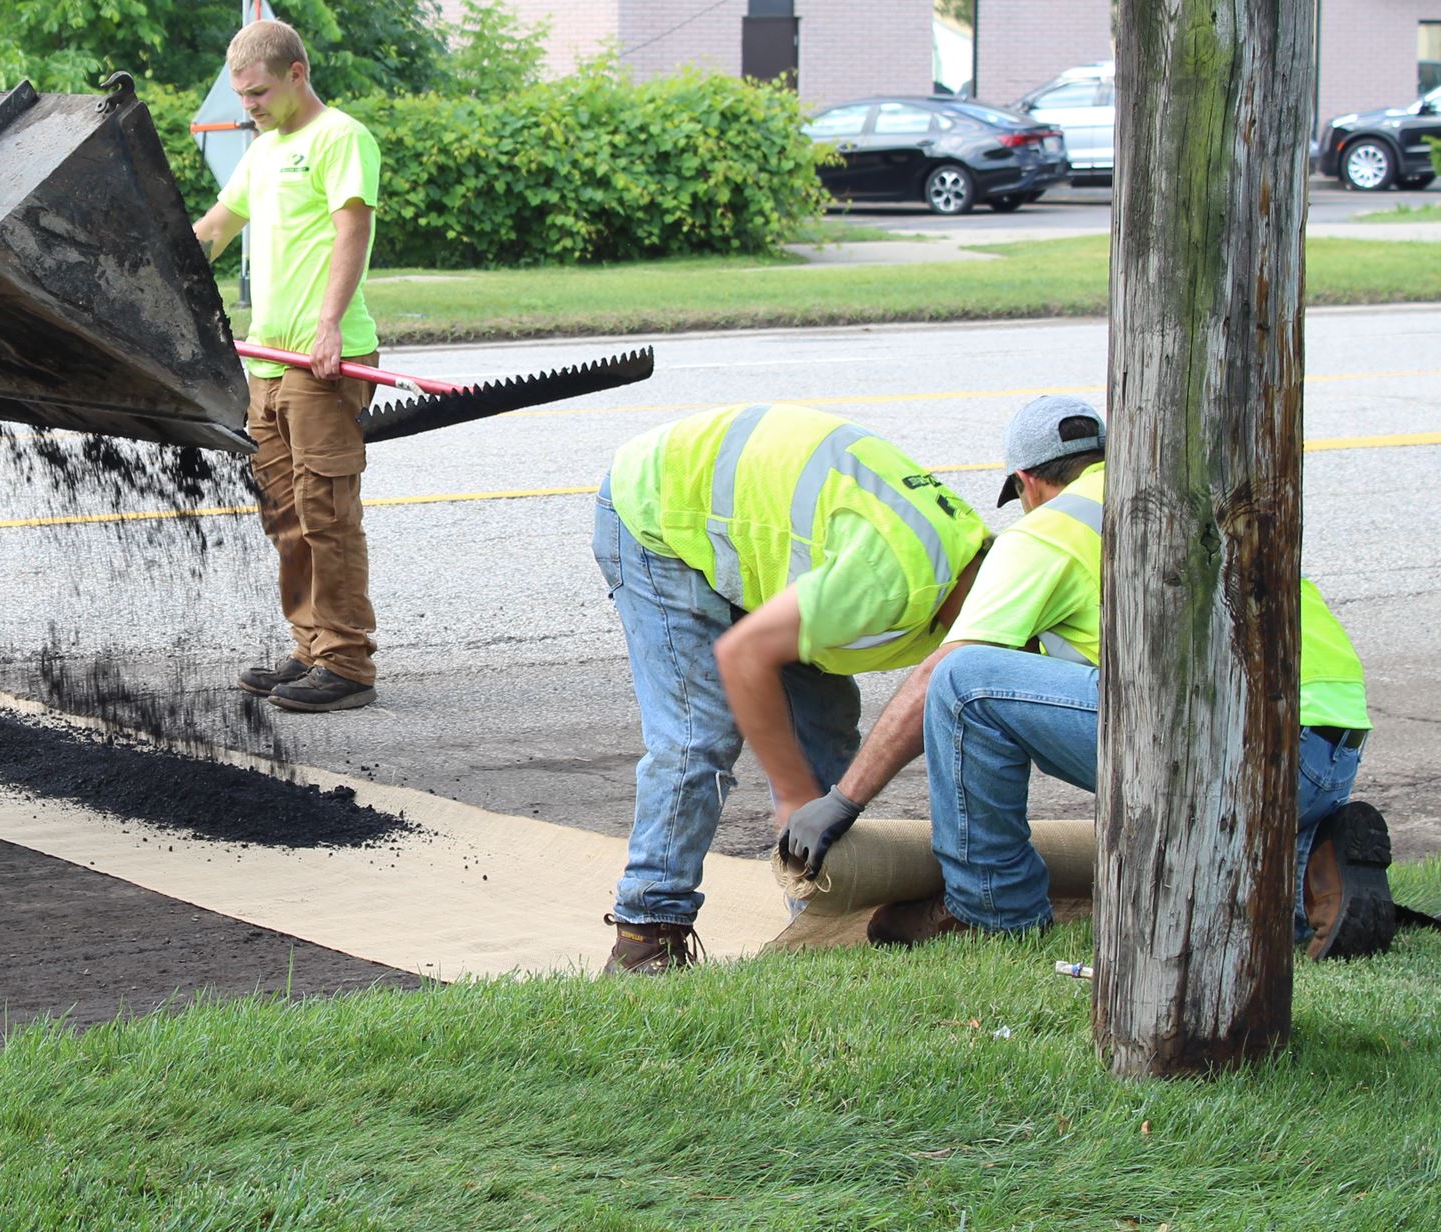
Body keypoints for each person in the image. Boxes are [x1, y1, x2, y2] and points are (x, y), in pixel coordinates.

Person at [779, 395, 1392, 957]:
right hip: (1322, 752)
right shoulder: (1185, 494)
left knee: (967, 682)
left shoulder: (1048, 528)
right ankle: (1312, 866)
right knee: (1237, 917)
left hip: (1236, 756)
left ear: (1027, 481)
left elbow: (940, 675)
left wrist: (839, 801)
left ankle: (991, 907)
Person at [595, 403, 993, 972]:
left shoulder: (980, 568)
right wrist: (790, 794)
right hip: (662, 512)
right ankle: (645, 937)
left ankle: (821, 920)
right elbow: (745, 655)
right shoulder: (887, 584)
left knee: (825, 733)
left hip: (765, 540)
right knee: (698, 735)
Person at [190, 19, 383, 714]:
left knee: (325, 511)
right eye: (241, 96)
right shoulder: (265, 150)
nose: (249, 106)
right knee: (284, 513)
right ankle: (310, 648)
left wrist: (330, 325)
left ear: (297, 73)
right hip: (267, 359)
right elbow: (216, 226)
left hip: (322, 355)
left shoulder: (341, 138)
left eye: (258, 93)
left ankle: (347, 662)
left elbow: (351, 227)